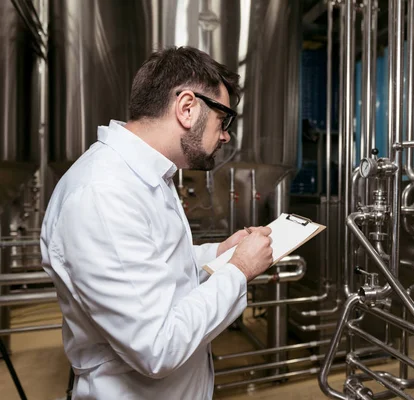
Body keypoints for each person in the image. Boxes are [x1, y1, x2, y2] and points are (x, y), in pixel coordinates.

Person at [40, 46, 274, 399]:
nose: (225, 135)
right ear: (186, 107)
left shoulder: (147, 176)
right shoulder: (103, 195)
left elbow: (159, 265)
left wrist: (221, 254)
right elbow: (157, 348)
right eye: (223, 119)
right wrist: (239, 270)